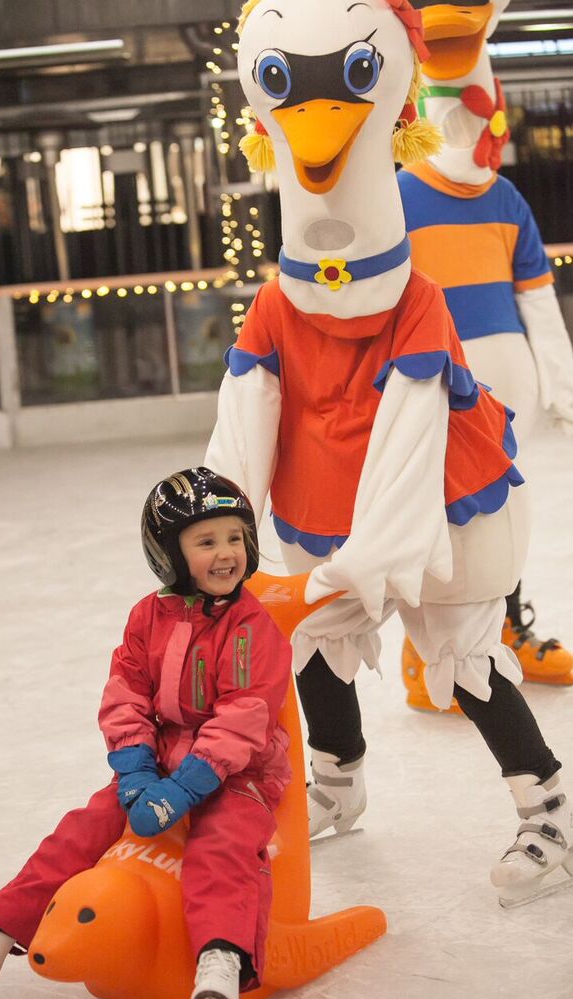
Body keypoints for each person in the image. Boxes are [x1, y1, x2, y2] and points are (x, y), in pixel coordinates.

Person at [204, 0, 573, 908]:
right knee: (317, 646)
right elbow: (243, 417)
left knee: (466, 660)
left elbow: (411, 440)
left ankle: (550, 810)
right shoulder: (275, 305)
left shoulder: (418, 306)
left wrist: (364, 561)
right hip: (323, 509)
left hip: (444, 510)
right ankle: (338, 785)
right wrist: (213, 535)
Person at [0, 467, 292, 999]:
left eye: (235, 538)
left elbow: (243, 719)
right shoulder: (148, 616)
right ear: (169, 555)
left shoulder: (250, 628)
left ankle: (219, 959)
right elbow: (125, 694)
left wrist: (185, 788)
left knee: (222, 845)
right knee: (80, 831)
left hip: (238, 775)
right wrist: (136, 772)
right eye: (206, 542)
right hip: (159, 763)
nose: (226, 553)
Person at [396, 0, 573, 699]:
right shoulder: (398, 198)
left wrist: (560, 387)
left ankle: (506, 632)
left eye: (480, 119)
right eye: (455, 119)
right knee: (436, 521)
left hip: (504, 408)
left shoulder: (507, 200)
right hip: (433, 392)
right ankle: (426, 653)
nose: (470, 133)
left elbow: (538, 301)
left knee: (503, 519)